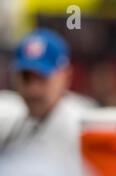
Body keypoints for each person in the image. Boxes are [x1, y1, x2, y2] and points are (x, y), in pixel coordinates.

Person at [0, 28, 97, 163]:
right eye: (26, 77)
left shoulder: (86, 126)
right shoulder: (11, 120)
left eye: (42, 77)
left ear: (66, 76)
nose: (33, 89)